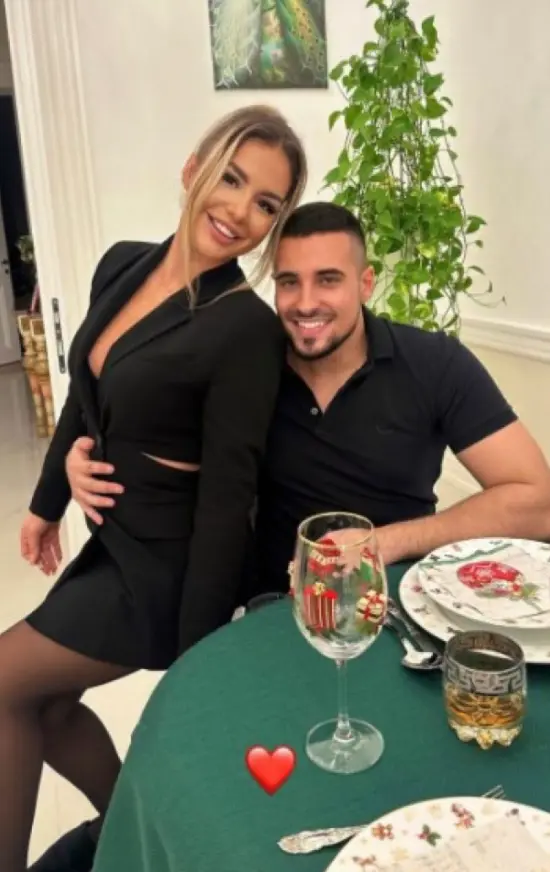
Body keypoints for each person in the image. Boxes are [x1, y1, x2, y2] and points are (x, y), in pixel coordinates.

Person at [9, 105, 307, 872]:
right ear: (192, 168)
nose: (239, 211)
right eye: (231, 178)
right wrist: (48, 502)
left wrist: (197, 655)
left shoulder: (245, 328)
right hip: (113, 545)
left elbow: (230, 497)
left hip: (165, 571)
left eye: (266, 203)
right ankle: (138, 836)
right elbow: (87, 392)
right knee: (48, 707)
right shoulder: (123, 264)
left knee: (4, 685)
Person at [64, 201, 550, 596]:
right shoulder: (248, 363)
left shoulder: (434, 363)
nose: (305, 303)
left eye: (328, 279)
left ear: (365, 283)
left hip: (397, 601)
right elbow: (157, 437)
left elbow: (537, 500)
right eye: (289, 282)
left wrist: (386, 542)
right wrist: (87, 458)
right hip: (273, 607)